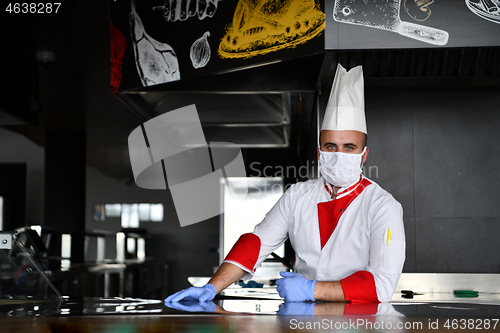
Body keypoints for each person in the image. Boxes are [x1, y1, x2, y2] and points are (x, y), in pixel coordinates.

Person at [165, 64, 406, 305]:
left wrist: (310, 290)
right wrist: (211, 287)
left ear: (364, 155)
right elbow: (256, 243)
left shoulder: (382, 206)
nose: (339, 154)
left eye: (349, 147)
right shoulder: (298, 195)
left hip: (359, 324)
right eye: (331, 146)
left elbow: (381, 286)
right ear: (320, 152)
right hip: (304, 319)